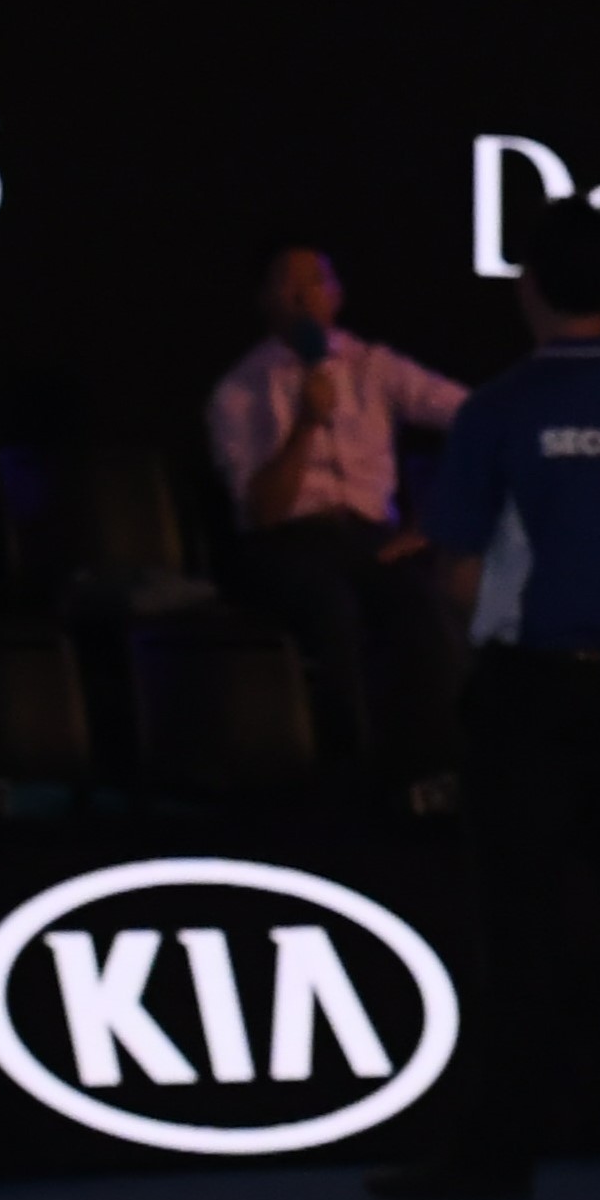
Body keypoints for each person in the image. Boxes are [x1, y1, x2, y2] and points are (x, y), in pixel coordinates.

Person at [377, 198, 600, 1200]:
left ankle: (497, 1154)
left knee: (522, 927)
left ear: (526, 285)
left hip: (532, 693)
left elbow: (453, 570)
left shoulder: (501, 408)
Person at [201, 247, 469, 793]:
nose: (303, 298)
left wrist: (439, 515)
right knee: (333, 608)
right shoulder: (239, 390)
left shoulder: (373, 366)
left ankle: (436, 774)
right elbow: (262, 512)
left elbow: (478, 419)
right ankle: (351, 776)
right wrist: (305, 422)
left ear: (337, 294)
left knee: (423, 605)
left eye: (315, 284)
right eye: (288, 286)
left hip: (369, 537)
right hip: (287, 542)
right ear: (266, 300)